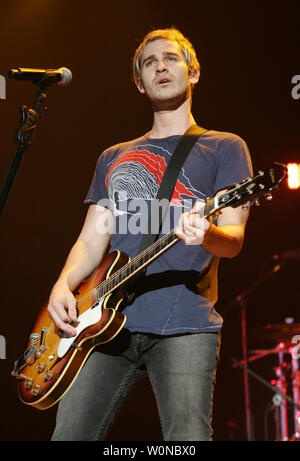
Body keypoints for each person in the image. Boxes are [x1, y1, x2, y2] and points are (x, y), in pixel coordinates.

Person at [49, 28, 252, 441]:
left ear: (193, 73)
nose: (161, 65)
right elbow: (91, 239)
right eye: (149, 61)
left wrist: (206, 234)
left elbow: (233, 239)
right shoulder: (113, 156)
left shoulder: (225, 147)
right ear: (140, 83)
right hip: (103, 325)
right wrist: (61, 285)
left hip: (185, 325)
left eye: (172, 58)